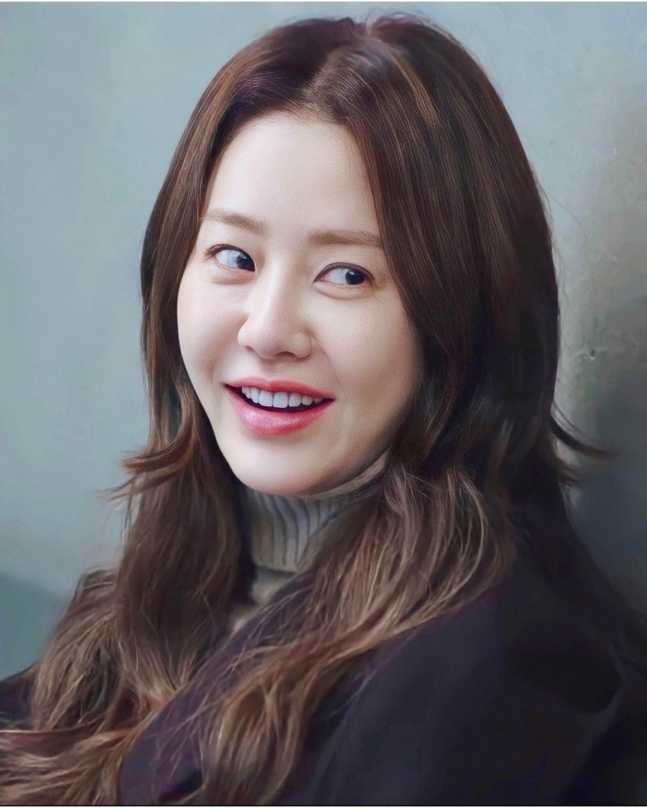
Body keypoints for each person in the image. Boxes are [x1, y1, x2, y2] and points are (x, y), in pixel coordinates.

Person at [1, 11, 646, 805]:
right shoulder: (167, 579)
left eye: (346, 275)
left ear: (460, 317)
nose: (268, 330)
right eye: (234, 257)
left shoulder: (488, 675)